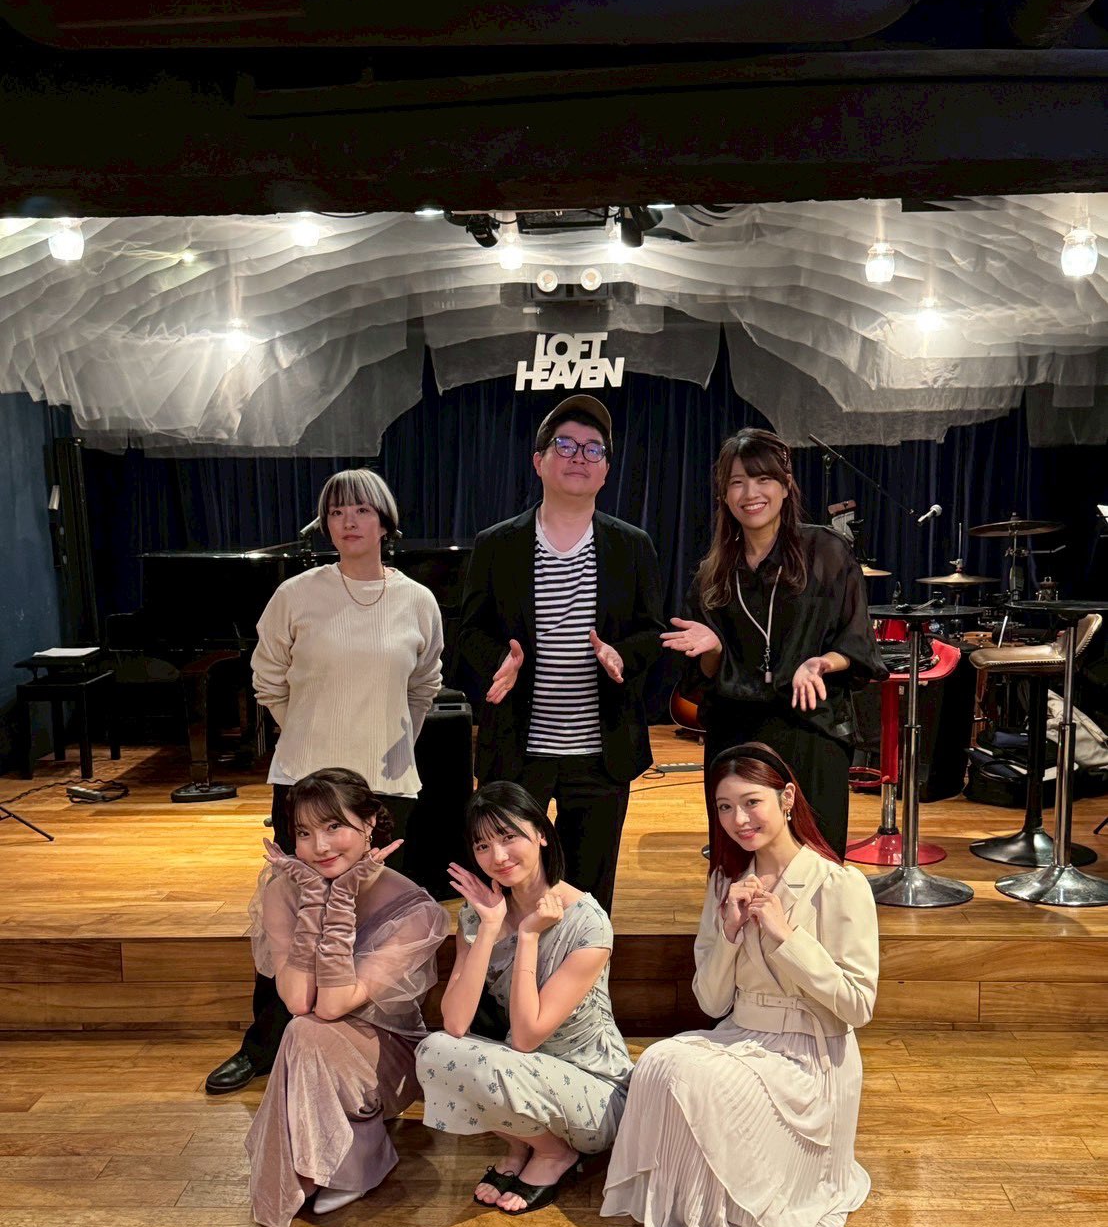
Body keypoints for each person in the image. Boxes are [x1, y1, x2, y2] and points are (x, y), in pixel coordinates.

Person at [205, 468, 444, 1095]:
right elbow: (267, 677)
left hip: (386, 785)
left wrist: (390, 739)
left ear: (385, 522)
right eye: (336, 512)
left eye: (361, 510)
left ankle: (374, 1044)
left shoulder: (417, 600)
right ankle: (265, 1044)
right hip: (305, 783)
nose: (348, 522)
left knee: (375, 917)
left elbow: (424, 685)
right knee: (293, 914)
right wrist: (309, 741)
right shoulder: (296, 594)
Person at [601, 742, 878, 1227]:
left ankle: (721, 1198)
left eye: (751, 802)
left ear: (787, 798)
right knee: (659, 1061)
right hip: (742, 1037)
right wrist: (728, 934)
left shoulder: (840, 884)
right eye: (725, 807)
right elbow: (710, 1003)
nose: (738, 820)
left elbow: (858, 1005)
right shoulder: (724, 885)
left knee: (689, 1074)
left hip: (810, 1056)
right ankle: (693, 1201)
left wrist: (786, 937)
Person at [453, 394, 664, 915]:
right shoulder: (498, 544)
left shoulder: (631, 545)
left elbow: (652, 632)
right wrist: (500, 662)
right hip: (518, 749)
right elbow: (470, 629)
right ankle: (510, 968)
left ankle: (583, 971)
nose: (579, 457)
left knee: (589, 894)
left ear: (606, 470)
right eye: (565, 445)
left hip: (601, 752)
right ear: (538, 461)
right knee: (509, 884)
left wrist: (621, 657)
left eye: (593, 449)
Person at [662, 428, 885, 857]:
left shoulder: (827, 552)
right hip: (736, 734)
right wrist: (713, 651)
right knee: (740, 864)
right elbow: (700, 679)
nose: (751, 493)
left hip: (811, 727)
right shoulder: (712, 574)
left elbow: (857, 642)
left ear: (785, 486)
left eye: (763, 478)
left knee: (814, 864)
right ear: (724, 495)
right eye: (737, 482)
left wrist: (820, 663)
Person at [245, 767, 450, 1227]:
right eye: (304, 833)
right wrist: (314, 900)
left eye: (333, 826)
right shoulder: (285, 891)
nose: (319, 847)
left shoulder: (415, 908)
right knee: (303, 1030)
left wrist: (339, 902)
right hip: (314, 1040)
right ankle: (345, 1161)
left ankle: (337, 1165)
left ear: (370, 823)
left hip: (390, 1055)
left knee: (309, 1032)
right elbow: (298, 1000)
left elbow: (334, 1004)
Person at [415, 781, 633, 1215]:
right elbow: (455, 1022)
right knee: (433, 1050)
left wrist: (529, 935)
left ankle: (554, 1153)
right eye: (482, 845)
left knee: (492, 1061)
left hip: (593, 1092)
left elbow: (527, 1037)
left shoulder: (588, 922)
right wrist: (489, 927)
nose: (497, 856)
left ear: (541, 834)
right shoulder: (479, 913)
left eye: (508, 836)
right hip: (522, 1076)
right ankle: (524, 1145)